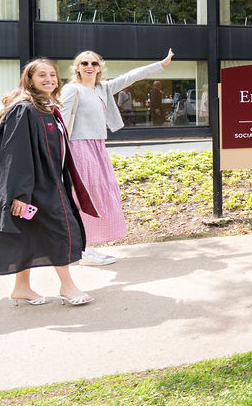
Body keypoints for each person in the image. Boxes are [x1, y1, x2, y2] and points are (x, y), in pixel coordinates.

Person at [0, 58, 98, 306]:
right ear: (29, 80)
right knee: (60, 229)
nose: (49, 80)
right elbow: (14, 154)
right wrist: (18, 194)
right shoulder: (23, 109)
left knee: (28, 233)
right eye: (42, 76)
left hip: (49, 181)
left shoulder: (46, 108)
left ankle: (21, 288)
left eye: (52, 75)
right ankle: (68, 287)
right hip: (34, 186)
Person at [60, 49, 174, 266]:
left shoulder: (103, 88)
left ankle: (86, 246)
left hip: (98, 146)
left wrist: (161, 64)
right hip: (78, 147)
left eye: (94, 63)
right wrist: (59, 153)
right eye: (84, 62)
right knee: (86, 196)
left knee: (101, 194)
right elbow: (62, 123)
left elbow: (131, 76)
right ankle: (83, 249)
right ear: (77, 67)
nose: (89, 66)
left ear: (99, 67)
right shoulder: (71, 89)